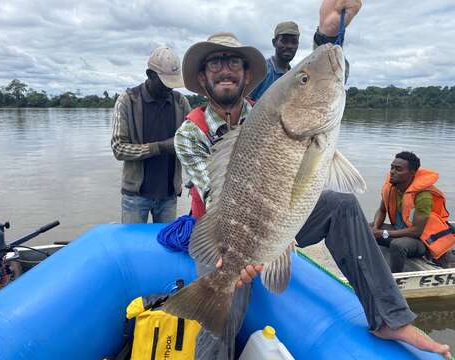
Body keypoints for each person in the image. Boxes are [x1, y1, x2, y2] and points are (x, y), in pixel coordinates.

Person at [174, 2, 451, 360]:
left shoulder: (269, 106)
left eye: (234, 63)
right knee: (221, 317)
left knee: (342, 204)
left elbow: (312, 78)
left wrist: (329, 35)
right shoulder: (188, 133)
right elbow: (214, 195)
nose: (225, 70)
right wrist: (240, 258)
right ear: (202, 78)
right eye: (215, 63)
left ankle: (388, 318)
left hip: (285, 214)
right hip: (226, 237)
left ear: (247, 75)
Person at [111, 46, 191, 224]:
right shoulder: (127, 101)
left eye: (172, 83)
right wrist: (161, 147)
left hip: (169, 196)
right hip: (136, 197)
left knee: (165, 248)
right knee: (131, 247)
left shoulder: (181, 102)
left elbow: (191, 142)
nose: (169, 88)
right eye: (164, 82)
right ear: (150, 75)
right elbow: (118, 149)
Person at [372, 151, 455, 272]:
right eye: (392, 167)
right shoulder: (391, 188)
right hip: (399, 232)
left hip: (420, 241)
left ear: (412, 173)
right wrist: (375, 228)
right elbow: (381, 210)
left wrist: (383, 233)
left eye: (398, 169)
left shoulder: (423, 196)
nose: (392, 172)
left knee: (398, 245)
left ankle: (395, 279)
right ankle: (369, 266)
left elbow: (416, 231)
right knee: (364, 228)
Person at [248, 21, 300, 102]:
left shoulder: (294, 76)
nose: (289, 46)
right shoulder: (262, 70)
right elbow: (243, 102)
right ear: (274, 42)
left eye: (294, 42)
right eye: (284, 41)